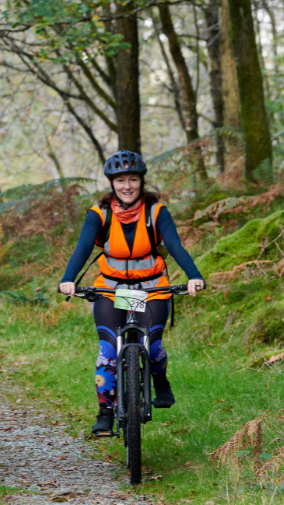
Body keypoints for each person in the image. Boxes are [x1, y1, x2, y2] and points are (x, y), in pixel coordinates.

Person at [58, 150, 205, 437]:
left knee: (153, 346)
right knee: (108, 351)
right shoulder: (99, 213)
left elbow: (175, 246)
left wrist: (193, 276)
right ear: (112, 183)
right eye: (121, 180)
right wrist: (68, 279)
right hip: (112, 291)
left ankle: (159, 379)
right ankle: (105, 413)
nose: (127, 186)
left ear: (142, 181)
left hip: (151, 289)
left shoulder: (156, 212)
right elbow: (83, 248)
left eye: (133, 179)